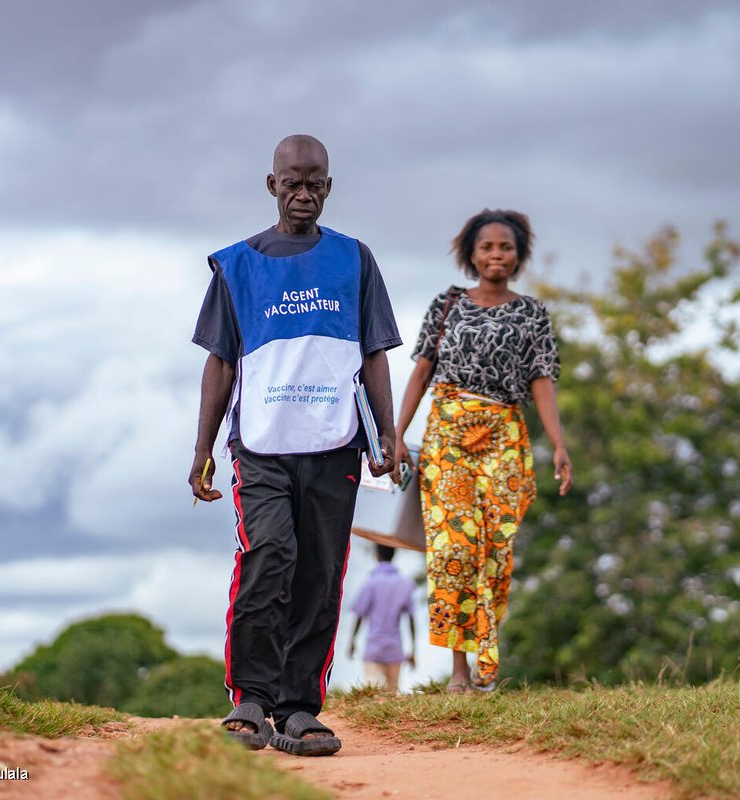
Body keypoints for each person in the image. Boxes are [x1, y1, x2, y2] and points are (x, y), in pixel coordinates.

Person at [189, 134, 401, 756]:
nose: (303, 193)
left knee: (319, 572)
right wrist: (201, 449)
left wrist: (387, 434)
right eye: (292, 182)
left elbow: (375, 355)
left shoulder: (355, 260)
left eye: (315, 183)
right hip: (260, 444)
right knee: (269, 556)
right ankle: (250, 700)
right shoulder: (239, 264)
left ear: (329, 188)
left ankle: (300, 708)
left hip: (335, 443)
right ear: (272, 185)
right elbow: (220, 364)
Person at [393, 209, 572, 694]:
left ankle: (485, 665)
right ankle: (457, 672)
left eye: (506, 247)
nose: (497, 255)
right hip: (448, 437)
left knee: (495, 549)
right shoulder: (447, 304)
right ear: (471, 254)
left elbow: (542, 381)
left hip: (504, 437)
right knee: (454, 550)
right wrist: (395, 433)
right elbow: (421, 373)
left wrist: (558, 445)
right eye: (488, 247)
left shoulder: (531, 313)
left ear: (519, 256)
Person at [347, 544, 417, 692]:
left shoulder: (371, 582)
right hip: (395, 648)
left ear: (376, 554)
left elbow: (360, 614)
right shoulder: (405, 582)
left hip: (374, 648)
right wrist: (413, 650)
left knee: (374, 693)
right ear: (394, 553)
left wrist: (352, 641)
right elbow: (411, 619)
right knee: (392, 694)